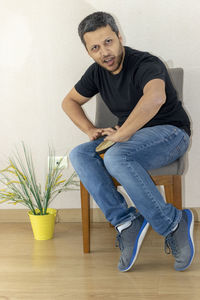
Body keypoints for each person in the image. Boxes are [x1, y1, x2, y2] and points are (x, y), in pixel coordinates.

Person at [62, 11, 195, 272]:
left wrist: (122, 134)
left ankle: (173, 223)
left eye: (108, 42)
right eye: (95, 48)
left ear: (119, 36)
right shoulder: (96, 73)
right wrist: (90, 129)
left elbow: (155, 98)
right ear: (89, 51)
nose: (104, 53)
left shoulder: (146, 63)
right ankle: (126, 223)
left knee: (116, 155)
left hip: (171, 133)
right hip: (132, 138)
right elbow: (69, 102)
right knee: (80, 154)